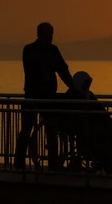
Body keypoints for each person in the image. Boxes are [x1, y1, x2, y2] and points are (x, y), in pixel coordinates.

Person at [14, 22, 74, 171]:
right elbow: (60, 70)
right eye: (49, 34)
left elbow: (61, 70)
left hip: (37, 96)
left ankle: (25, 163)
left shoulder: (33, 50)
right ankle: (48, 163)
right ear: (42, 34)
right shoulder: (41, 50)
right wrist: (72, 88)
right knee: (42, 128)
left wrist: (72, 87)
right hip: (41, 97)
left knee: (37, 129)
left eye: (52, 34)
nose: (51, 37)